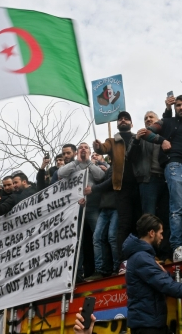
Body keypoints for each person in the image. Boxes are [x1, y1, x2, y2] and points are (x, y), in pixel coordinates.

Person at [139, 94, 182, 262]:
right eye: (178, 105)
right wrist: (161, 140)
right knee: (177, 208)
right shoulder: (167, 122)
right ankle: (177, 248)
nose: (181, 107)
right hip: (174, 165)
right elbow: (146, 132)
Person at [94, 111, 139, 269]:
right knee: (124, 224)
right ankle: (123, 261)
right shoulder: (112, 141)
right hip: (122, 188)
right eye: (120, 119)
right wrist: (98, 146)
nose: (123, 120)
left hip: (140, 184)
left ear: (131, 123)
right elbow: (103, 149)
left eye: (127, 118)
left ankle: (143, 256)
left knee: (140, 221)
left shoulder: (137, 137)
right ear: (117, 124)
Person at [57, 142, 106, 282]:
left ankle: (100, 268)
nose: (83, 149)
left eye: (86, 148)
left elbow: (101, 177)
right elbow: (60, 173)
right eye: (80, 148)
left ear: (90, 152)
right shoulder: (72, 166)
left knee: (98, 236)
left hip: (93, 208)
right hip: (76, 209)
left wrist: (89, 164)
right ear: (77, 152)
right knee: (76, 240)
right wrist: (77, 161)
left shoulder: (93, 166)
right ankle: (77, 273)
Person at [130, 110, 172, 262]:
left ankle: (166, 255)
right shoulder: (140, 137)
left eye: (151, 117)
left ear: (157, 121)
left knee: (166, 218)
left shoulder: (164, 135)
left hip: (166, 179)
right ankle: (150, 255)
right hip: (148, 181)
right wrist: (135, 140)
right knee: (149, 220)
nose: (148, 119)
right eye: (145, 118)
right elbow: (130, 157)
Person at [87, 166, 118, 280]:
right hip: (105, 207)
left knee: (112, 237)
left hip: (117, 206)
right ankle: (100, 270)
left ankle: (117, 268)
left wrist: (93, 189)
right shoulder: (107, 169)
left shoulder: (118, 163)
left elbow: (112, 181)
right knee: (97, 237)